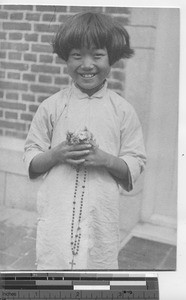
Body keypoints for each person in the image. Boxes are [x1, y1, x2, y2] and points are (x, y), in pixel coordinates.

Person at [24, 11, 146, 270]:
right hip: (58, 213)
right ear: (66, 59)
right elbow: (31, 157)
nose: (87, 64)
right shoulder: (52, 107)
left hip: (100, 212)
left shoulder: (122, 110)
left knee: (97, 272)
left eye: (97, 55)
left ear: (111, 58)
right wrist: (55, 155)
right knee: (55, 271)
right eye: (77, 55)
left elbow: (135, 160)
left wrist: (106, 159)